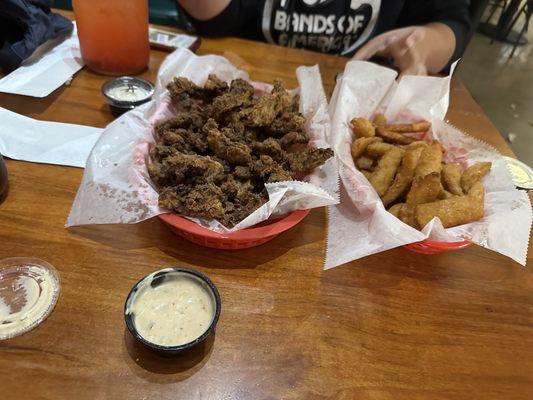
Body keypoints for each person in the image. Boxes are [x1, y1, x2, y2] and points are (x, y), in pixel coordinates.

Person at [176, 0, 471, 76]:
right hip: (254, 79)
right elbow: (221, 20)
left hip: (360, 93)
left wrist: (423, 43)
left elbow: (453, 25)